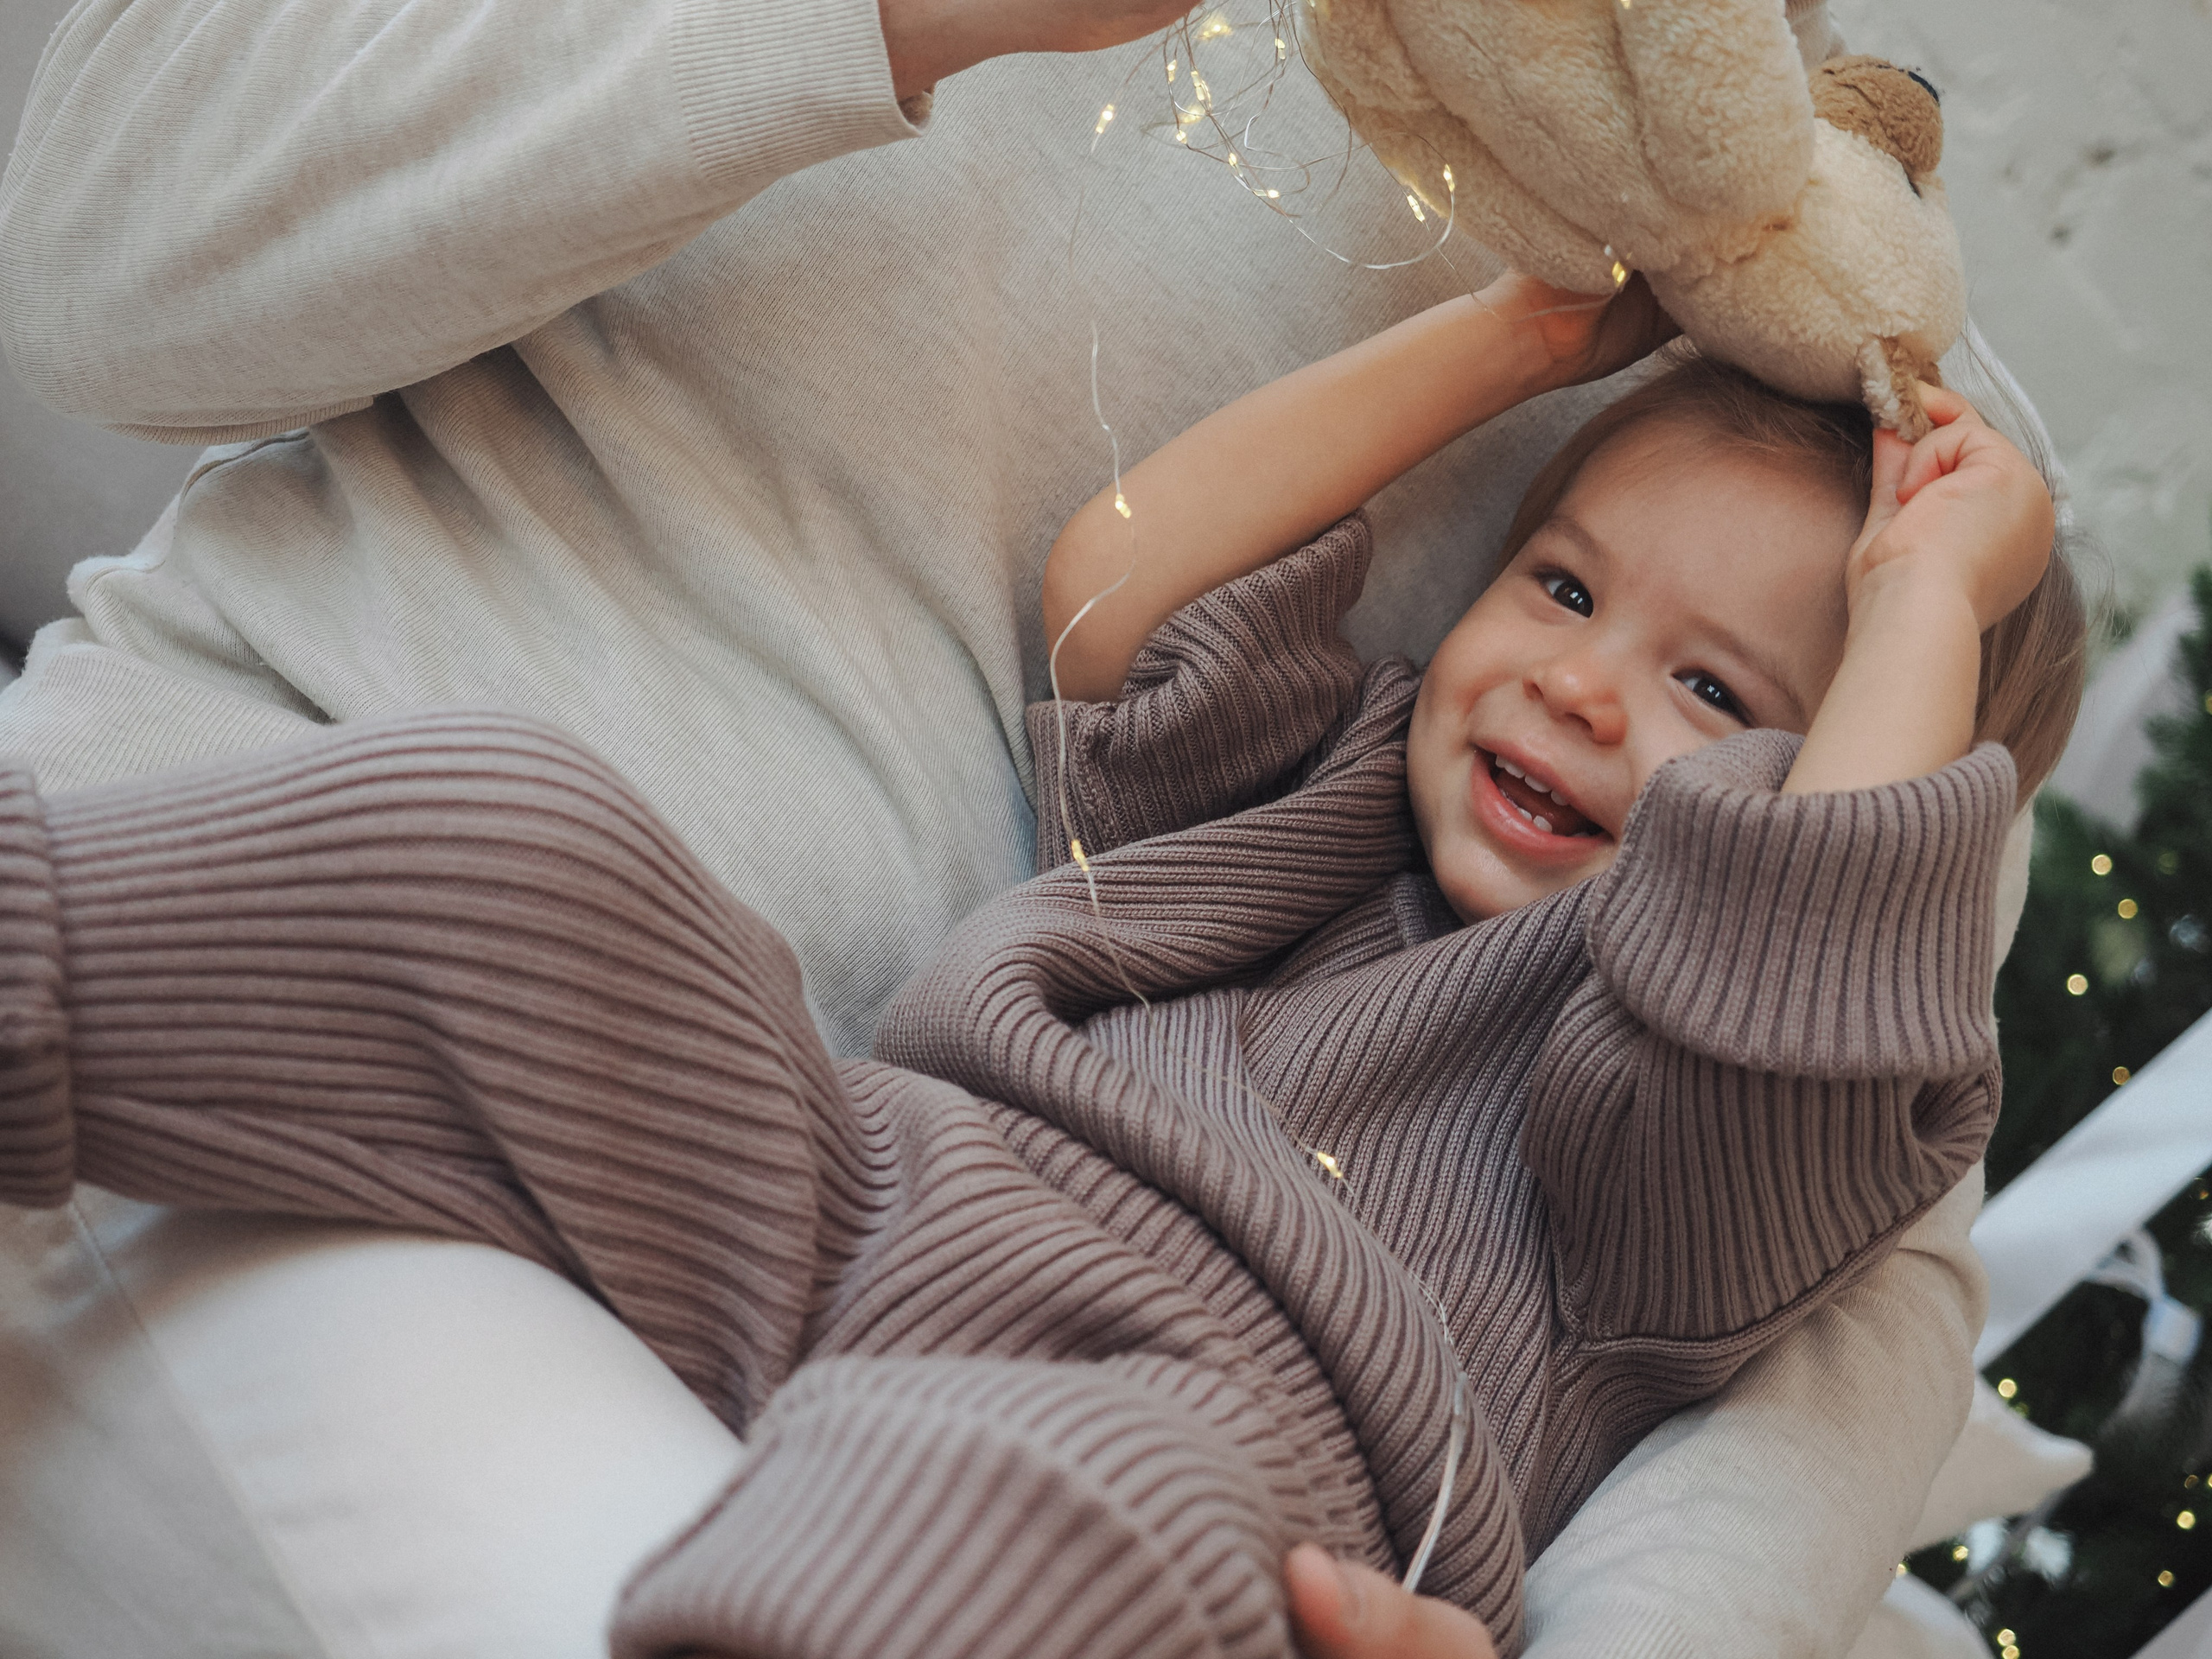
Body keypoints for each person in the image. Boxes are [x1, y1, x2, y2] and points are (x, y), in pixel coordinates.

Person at [0, 0, 2025, 1649]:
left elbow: (1802, 970)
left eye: (1712, 697)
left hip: (1213, 1430)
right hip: (874, 1183)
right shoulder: (1333, 804)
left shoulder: (1698, 1123)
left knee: (1031, 1498)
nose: (1581, 689)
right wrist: (1518, 335)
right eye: (1561, 589)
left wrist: (1922, 597)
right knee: (518, 847)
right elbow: (1118, 597)